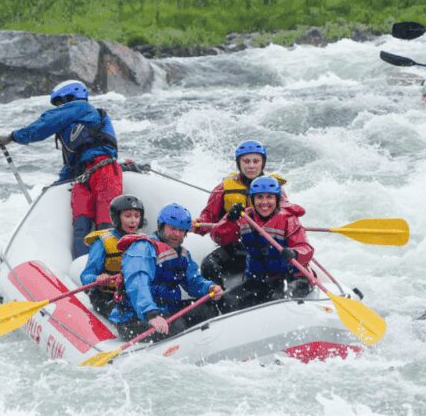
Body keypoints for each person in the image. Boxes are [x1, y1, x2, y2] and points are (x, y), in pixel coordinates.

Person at [0, 80, 122, 259]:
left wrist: (13, 137)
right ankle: (82, 271)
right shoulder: (76, 121)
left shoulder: (81, 108)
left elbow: (46, 123)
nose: (60, 108)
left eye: (60, 103)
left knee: (105, 225)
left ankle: (111, 272)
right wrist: (56, 185)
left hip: (104, 172)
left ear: (69, 96)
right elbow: (71, 165)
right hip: (82, 177)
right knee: (81, 227)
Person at [108, 203, 224, 340]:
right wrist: (151, 314)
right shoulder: (143, 248)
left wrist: (209, 287)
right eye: (172, 228)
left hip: (166, 310)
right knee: (178, 326)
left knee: (207, 309)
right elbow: (138, 282)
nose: (177, 234)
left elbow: (193, 282)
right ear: (161, 226)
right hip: (134, 317)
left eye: (181, 230)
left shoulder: (182, 254)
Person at [210, 176, 314, 314]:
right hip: (258, 279)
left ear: (277, 199)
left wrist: (294, 253)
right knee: (228, 302)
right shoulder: (244, 216)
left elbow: (306, 248)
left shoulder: (289, 219)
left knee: (280, 301)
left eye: (269, 197)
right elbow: (218, 236)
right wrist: (229, 220)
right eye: (259, 197)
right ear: (252, 200)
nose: (264, 202)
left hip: (290, 278)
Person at [195, 140, 287, 287]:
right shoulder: (224, 188)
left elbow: (286, 216)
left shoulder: (273, 188)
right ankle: (220, 300)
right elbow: (208, 217)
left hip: (267, 246)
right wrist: (197, 225)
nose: (251, 166)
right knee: (208, 265)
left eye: (256, 161)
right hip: (236, 246)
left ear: (262, 163)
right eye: (246, 161)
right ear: (239, 163)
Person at [79, 194, 145, 317]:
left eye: (137, 216)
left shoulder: (143, 241)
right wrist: (97, 279)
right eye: (127, 216)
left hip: (132, 294)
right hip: (106, 296)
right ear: (117, 218)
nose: (133, 221)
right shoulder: (102, 242)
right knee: (131, 315)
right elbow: (86, 276)